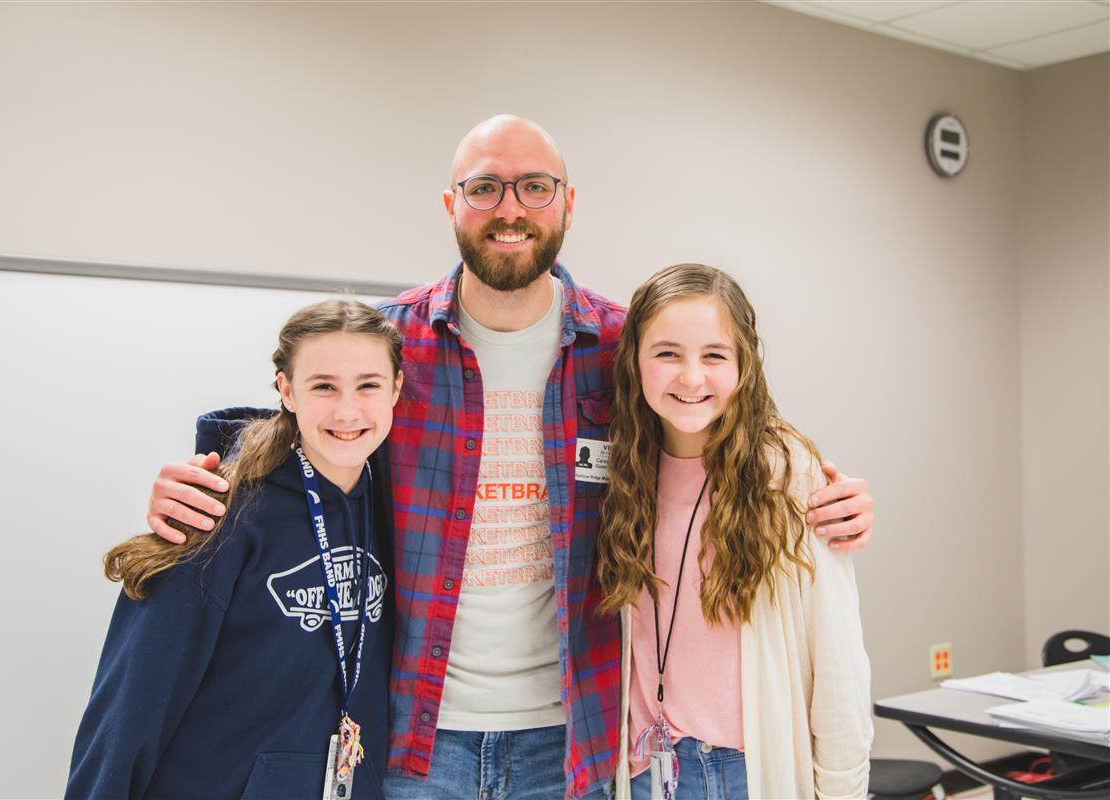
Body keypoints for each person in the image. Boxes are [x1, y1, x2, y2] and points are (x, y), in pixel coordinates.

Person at [143, 115, 876, 800]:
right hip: (416, 740)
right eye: (484, 187)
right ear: (451, 203)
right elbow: (307, 430)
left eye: (535, 186)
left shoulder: (620, 349)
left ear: (567, 203)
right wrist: (208, 480)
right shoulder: (394, 341)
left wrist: (824, 495)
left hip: (574, 741)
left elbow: (719, 423)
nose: (510, 208)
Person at [66, 300, 403, 799]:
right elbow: (135, 699)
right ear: (287, 390)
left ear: (396, 388)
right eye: (323, 386)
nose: (347, 410)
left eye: (369, 385)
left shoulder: (397, 506)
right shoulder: (217, 513)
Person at [598, 264, 871, 799]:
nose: (691, 377)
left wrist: (844, 789)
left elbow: (838, 656)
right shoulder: (620, 470)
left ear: (745, 364)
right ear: (635, 361)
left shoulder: (788, 474)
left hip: (748, 769)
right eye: (667, 353)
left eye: (715, 356)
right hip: (644, 770)